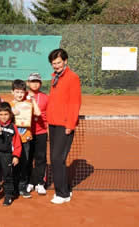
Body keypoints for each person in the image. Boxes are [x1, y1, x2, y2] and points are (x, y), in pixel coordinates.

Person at [47, 48, 81, 204]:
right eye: (53, 63)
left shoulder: (73, 78)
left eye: (58, 62)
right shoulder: (55, 77)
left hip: (64, 124)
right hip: (53, 124)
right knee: (56, 158)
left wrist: (70, 124)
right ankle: (65, 189)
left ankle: (62, 194)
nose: (56, 66)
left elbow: (75, 103)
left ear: (65, 61)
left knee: (57, 159)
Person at [9, 79, 41, 199]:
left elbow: (38, 113)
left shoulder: (28, 104)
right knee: (13, 164)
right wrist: (12, 112)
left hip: (26, 139)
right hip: (13, 141)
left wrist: (32, 99)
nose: (19, 94)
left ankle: (22, 187)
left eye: (22, 92)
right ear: (12, 92)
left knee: (25, 164)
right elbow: (3, 119)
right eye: (17, 92)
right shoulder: (10, 105)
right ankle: (13, 188)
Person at [25, 73, 49, 196]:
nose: (35, 84)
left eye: (37, 81)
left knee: (41, 158)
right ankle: (30, 182)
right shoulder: (23, 96)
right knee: (28, 158)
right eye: (32, 81)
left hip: (41, 132)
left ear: (40, 83)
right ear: (28, 83)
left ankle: (40, 183)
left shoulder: (45, 97)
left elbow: (48, 114)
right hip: (27, 133)